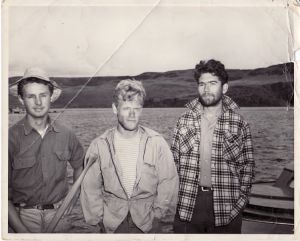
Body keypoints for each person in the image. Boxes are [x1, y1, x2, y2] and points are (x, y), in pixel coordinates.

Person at [80, 79, 179, 233]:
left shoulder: (157, 143)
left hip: (148, 223)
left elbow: (169, 182)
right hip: (111, 225)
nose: (132, 114)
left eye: (137, 108)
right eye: (126, 108)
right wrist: (98, 220)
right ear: (115, 108)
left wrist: (158, 216)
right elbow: (90, 188)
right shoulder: (99, 146)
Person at [171, 59, 255, 233]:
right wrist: (174, 201)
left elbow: (248, 167)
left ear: (224, 88)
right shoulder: (183, 121)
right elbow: (172, 164)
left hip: (227, 207)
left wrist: (239, 204)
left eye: (212, 83)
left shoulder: (239, 124)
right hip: (187, 205)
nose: (206, 89)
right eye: (202, 84)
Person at [8, 67, 84, 233]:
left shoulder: (67, 134)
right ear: (21, 99)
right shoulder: (9, 139)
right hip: (23, 218)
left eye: (43, 95)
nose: (38, 102)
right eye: (31, 96)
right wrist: (21, 231)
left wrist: (74, 196)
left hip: (60, 217)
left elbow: (81, 165)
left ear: (51, 97)